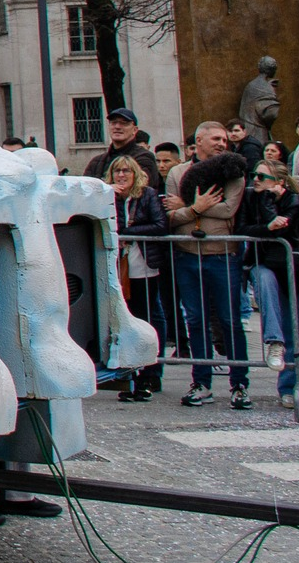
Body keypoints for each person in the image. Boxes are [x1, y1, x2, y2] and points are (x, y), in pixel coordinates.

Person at [163, 122, 252, 409]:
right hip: (187, 254)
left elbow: (229, 210)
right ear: (198, 141)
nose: (221, 143)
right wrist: (195, 209)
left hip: (223, 254)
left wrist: (187, 204)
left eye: (225, 139)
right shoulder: (178, 173)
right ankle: (201, 382)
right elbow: (171, 217)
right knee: (195, 320)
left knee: (229, 320)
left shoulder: (233, 171)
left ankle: (239, 383)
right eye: (215, 138)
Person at [237, 160, 299, 404]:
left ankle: (291, 387)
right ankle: (273, 341)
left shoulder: (293, 200)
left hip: (292, 270)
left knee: (297, 330)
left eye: (261, 176)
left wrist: (268, 206)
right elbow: (243, 228)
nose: (255, 179)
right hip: (262, 262)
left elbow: (281, 229)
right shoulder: (250, 197)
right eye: (254, 174)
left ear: (279, 182)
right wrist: (267, 223)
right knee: (264, 283)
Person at [109, 156, 170, 401]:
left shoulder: (147, 195)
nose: (122, 175)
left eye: (126, 170)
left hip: (143, 263)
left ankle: (152, 370)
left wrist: (127, 232)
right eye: (117, 171)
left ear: (135, 173)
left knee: (148, 315)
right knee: (126, 317)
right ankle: (130, 372)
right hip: (118, 265)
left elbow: (159, 225)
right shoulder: (109, 195)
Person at [84, 107, 159, 187]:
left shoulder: (144, 157)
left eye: (124, 123)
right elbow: (84, 190)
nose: (117, 127)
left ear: (135, 130)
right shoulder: (96, 162)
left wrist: (105, 189)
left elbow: (139, 188)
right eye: (113, 123)